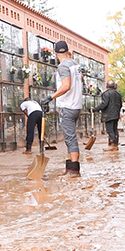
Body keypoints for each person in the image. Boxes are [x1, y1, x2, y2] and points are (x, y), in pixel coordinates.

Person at [41, 41, 83, 177]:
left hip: (68, 106)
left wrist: (50, 97)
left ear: (54, 52)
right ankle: (70, 166)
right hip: (76, 105)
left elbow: (66, 86)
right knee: (70, 137)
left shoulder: (63, 66)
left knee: (70, 138)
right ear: (67, 51)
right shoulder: (75, 65)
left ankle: (74, 170)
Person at [92, 80, 122, 151]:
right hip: (116, 115)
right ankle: (115, 144)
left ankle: (112, 145)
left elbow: (104, 104)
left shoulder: (105, 94)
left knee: (110, 130)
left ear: (106, 86)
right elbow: (120, 105)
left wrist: (95, 109)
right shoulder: (118, 94)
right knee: (115, 129)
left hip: (108, 115)